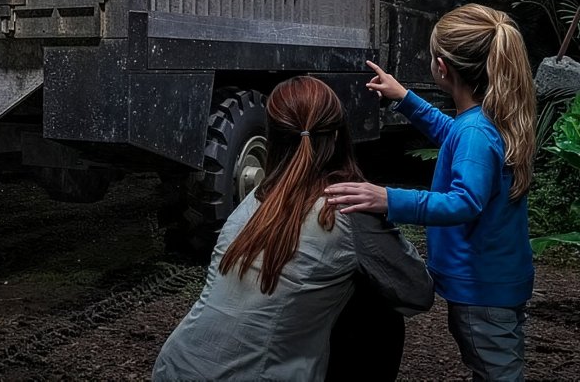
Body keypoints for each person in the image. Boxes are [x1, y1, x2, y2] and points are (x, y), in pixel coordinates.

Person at [153, 76, 433, 381]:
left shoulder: (254, 200)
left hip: (174, 367)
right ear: (339, 136)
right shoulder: (346, 208)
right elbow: (418, 293)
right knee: (378, 309)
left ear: (271, 138)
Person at [326, 4, 536, 381]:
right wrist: (405, 98)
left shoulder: (475, 132)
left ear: (442, 67)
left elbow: (464, 201)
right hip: (499, 280)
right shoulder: (488, 118)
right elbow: (450, 133)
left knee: (499, 373)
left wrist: (389, 199)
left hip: (481, 290)